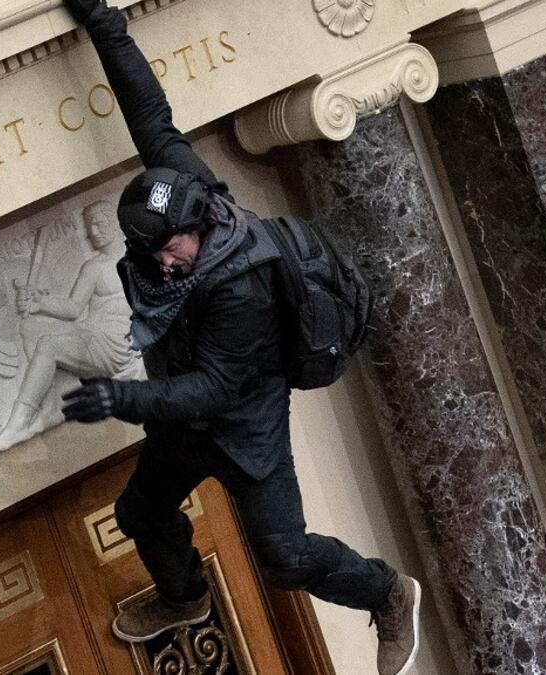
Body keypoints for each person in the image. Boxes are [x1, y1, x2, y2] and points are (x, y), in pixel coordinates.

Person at [57, 2, 421, 673]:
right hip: (185, 418)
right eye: (151, 252)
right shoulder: (182, 188)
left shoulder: (240, 284)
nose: (161, 262)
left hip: (244, 424)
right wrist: (103, 23)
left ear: (198, 225)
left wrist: (119, 397)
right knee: (141, 512)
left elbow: (216, 385)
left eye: (170, 250)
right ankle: (185, 596)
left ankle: (387, 590)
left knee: (283, 556)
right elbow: (151, 114)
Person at [0, 201, 139, 451]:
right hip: (93, 333)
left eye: (98, 224)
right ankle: (45, 406)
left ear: (115, 223)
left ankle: (18, 424)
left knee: (48, 344)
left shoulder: (140, 258)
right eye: (90, 227)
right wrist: (38, 302)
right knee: (30, 328)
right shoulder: (94, 267)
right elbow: (73, 308)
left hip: (119, 341)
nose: (92, 232)